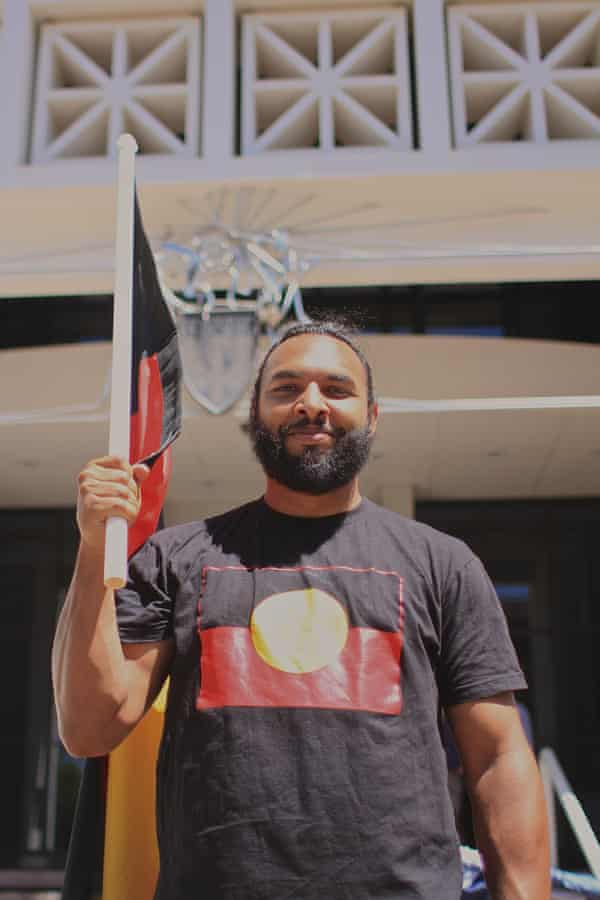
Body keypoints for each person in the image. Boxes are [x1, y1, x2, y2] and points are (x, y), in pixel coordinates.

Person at [52, 321, 551, 900]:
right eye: (286, 390)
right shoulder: (177, 559)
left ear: (372, 415)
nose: (311, 404)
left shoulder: (443, 564)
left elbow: (496, 758)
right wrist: (92, 549)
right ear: (256, 415)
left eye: (336, 390)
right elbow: (90, 728)